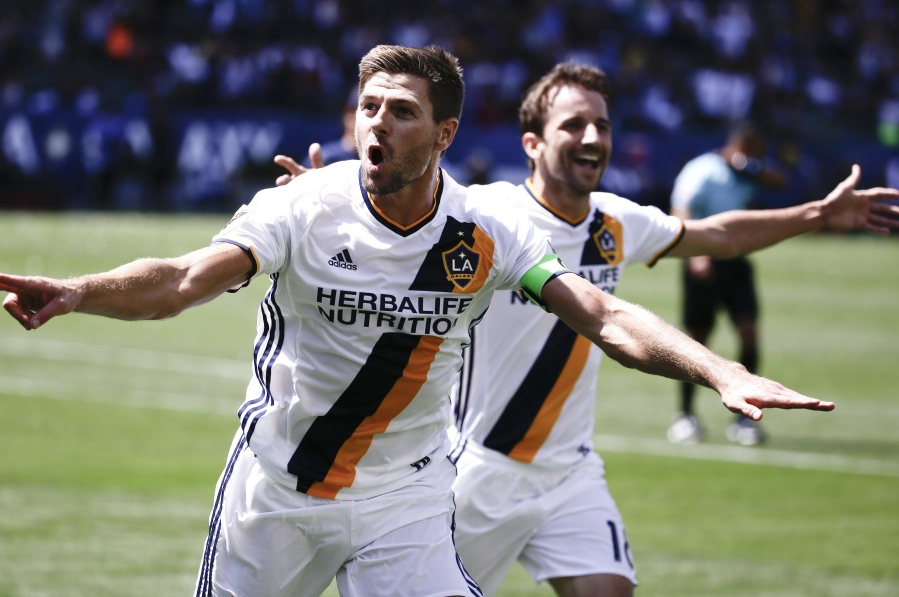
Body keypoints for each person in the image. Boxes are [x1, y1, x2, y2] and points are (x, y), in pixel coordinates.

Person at [0, 46, 837, 597]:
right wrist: (78, 291)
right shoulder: (304, 210)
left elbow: (604, 312)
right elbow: (179, 281)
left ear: (444, 132)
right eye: (369, 107)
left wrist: (720, 371)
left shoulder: (484, 234)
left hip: (408, 503)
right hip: (279, 492)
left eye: (401, 110)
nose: (377, 124)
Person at [275, 62, 897, 596]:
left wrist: (818, 213)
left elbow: (721, 234)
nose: (592, 136)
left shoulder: (616, 222)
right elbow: (399, 217)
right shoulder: (490, 220)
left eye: (601, 124)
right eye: (573, 124)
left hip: (569, 473)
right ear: (531, 145)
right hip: (475, 474)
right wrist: (332, 208)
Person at [666, 122, 785, 447]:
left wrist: (752, 169)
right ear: (740, 145)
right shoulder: (703, 169)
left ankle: (744, 420)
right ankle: (685, 415)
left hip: (737, 263)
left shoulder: (746, 171)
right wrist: (695, 254)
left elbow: (780, 181)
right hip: (705, 260)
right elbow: (681, 208)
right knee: (696, 340)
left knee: (748, 332)